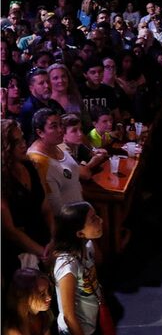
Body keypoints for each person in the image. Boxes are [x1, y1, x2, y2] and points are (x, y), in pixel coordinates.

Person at [1, 120, 53, 281]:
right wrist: (42, 252)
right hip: (21, 246)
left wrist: (54, 238)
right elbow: (11, 232)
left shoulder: (31, 167)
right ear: (4, 148)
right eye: (16, 142)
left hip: (44, 237)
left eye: (23, 139)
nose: (23, 145)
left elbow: (46, 208)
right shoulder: (3, 180)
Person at [53, 201, 108, 335]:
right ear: (79, 233)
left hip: (92, 324)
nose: (100, 220)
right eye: (93, 219)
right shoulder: (67, 267)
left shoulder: (88, 246)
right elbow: (68, 316)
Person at [27, 108, 84, 215]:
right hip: (68, 222)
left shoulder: (58, 145)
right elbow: (53, 206)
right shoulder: (38, 161)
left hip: (80, 214)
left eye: (60, 125)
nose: (61, 130)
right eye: (54, 126)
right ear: (40, 132)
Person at [2, 268, 53, 335]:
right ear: (25, 296)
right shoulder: (13, 329)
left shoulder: (44, 316)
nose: (49, 298)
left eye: (48, 290)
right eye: (42, 294)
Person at [20, 68, 63, 142]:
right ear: (31, 88)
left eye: (48, 82)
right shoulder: (29, 109)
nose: (47, 86)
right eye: (41, 83)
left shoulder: (54, 104)